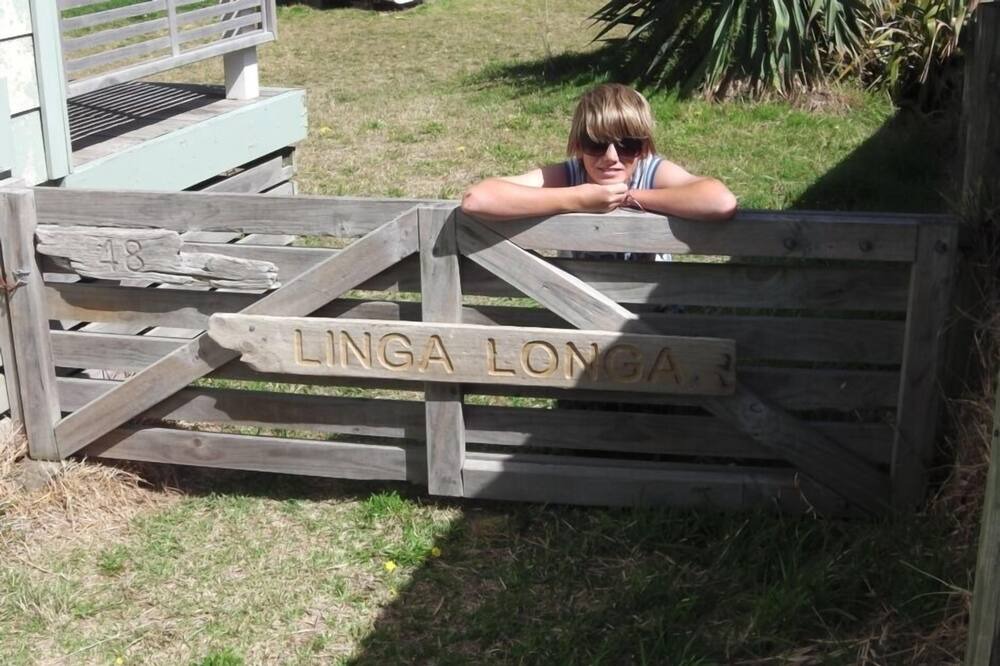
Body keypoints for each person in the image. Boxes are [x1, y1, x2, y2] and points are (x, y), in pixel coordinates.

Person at [461, 83, 737, 225]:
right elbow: (478, 200)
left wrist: (626, 197)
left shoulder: (650, 171)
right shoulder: (572, 174)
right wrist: (579, 198)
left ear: (643, 148)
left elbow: (719, 202)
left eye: (627, 144)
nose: (611, 157)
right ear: (578, 145)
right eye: (596, 143)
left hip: (656, 318)